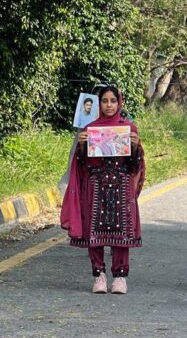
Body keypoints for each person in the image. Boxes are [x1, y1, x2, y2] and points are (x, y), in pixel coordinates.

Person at [60, 86, 144, 295]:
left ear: (119, 103)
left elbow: (135, 166)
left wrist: (135, 147)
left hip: (122, 187)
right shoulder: (89, 129)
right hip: (95, 185)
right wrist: (81, 147)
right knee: (93, 230)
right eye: (104, 101)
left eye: (112, 101)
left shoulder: (128, 129)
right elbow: (81, 163)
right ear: (98, 104)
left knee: (121, 232)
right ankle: (99, 275)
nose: (108, 105)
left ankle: (120, 277)